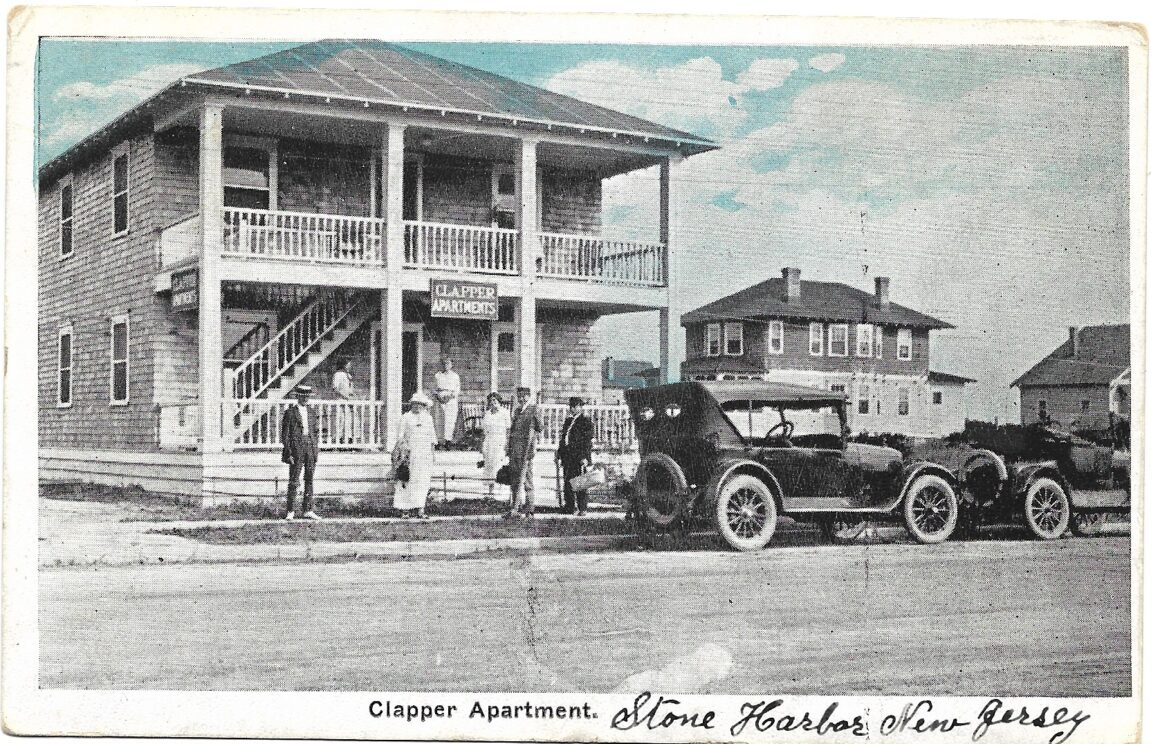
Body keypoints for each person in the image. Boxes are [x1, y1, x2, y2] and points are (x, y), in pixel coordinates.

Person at [280, 385, 322, 521]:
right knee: (294, 480)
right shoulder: (290, 412)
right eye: (302, 396)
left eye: (307, 396)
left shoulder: (311, 412)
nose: (305, 398)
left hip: (310, 447)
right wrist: (288, 452)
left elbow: (315, 432)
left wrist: (315, 449)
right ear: (297, 396)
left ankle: (307, 509)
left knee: (309, 479)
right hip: (297, 448)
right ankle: (290, 510)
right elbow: (285, 435)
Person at [394, 392, 436, 519]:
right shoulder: (406, 417)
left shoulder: (428, 418)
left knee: (422, 481)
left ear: (424, 406)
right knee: (407, 480)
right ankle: (405, 510)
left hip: (424, 454)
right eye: (415, 404)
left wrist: (433, 454)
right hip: (409, 454)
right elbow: (400, 437)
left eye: (420, 404)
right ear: (411, 404)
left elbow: (432, 438)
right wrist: (403, 453)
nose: (417, 407)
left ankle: (420, 509)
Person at [506, 386, 542, 518]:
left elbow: (539, 428)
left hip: (526, 450)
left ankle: (529, 508)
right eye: (519, 396)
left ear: (528, 396)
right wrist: (509, 448)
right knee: (515, 479)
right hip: (515, 450)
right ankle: (514, 508)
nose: (521, 399)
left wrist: (532, 448)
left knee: (527, 480)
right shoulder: (517, 411)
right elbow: (513, 431)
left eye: (523, 396)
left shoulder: (533, 409)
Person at [556, 396, 594, 516]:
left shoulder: (585, 421)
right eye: (571, 406)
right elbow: (564, 438)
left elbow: (587, 441)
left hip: (579, 456)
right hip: (568, 456)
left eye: (575, 406)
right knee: (568, 482)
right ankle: (570, 507)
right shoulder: (569, 421)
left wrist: (584, 457)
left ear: (580, 407)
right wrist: (559, 452)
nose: (572, 408)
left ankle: (582, 508)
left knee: (580, 483)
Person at [480, 392, 511, 497]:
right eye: (491, 401)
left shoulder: (505, 413)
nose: (493, 403)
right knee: (489, 465)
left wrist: (507, 444)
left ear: (499, 401)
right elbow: (484, 431)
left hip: (500, 441)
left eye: (495, 400)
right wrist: (483, 445)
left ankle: (499, 490)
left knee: (498, 465)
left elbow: (508, 430)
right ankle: (490, 491)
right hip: (489, 441)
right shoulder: (487, 414)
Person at [433, 357, 461, 448]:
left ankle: (448, 440)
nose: (446, 365)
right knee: (439, 420)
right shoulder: (438, 375)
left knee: (450, 420)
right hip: (440, 398)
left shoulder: (455, 376)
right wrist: (438, 396)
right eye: (444, 363)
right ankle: (438, 441)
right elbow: (433, 389)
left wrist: (449, 397)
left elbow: (457, 390)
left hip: (451, 399)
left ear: (451, 365)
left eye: (448, 363)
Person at [331, 359, 356, 445]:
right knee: (340, 421)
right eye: (347, 365)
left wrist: (353, 396)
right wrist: (345, 396)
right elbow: (335, 388)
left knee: (348, 422)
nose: (349, 367)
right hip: (341, 401)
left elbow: (350, 389)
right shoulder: (338, 374)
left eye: (350, 365)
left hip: (348, 402)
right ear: (343, 365)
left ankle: (348, 440)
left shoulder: (348, 375)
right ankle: (337, 441)